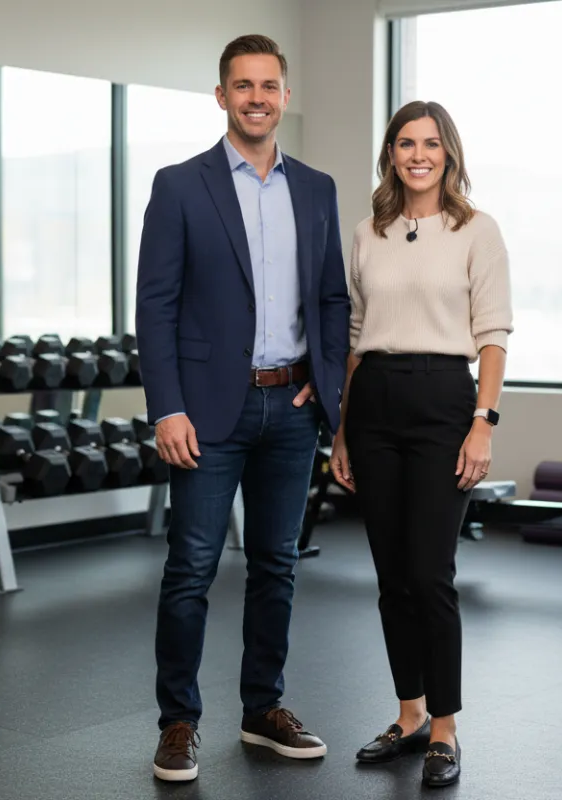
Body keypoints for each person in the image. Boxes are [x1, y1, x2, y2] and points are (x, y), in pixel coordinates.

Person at [135, 33, 351, 783]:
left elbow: (331, 299)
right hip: (205, 413)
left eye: (268, 85)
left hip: (290, 408)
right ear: (222, 96)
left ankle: (263, 709)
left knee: (276, 566)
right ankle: (178, 722)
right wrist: (167, 407)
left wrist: (326, 387)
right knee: (191, 567)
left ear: (285, 95)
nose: (256, 98)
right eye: (243, 85)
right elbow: (155, 306)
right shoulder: (179, 185)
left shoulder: (316, 189)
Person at [328, 100, 513, 789]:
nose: (418, 155)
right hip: (373, 402)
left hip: (443, 402)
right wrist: (342, 431)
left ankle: (444, 727)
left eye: (431, 144)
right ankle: (408, 714)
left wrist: (483, 422)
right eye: (406, 143)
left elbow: (492, 334)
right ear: (390, 154)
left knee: (431, 574)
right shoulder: (367, 232)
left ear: (448, 154)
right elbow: (354, 341)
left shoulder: (476, 230)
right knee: (392, 577)